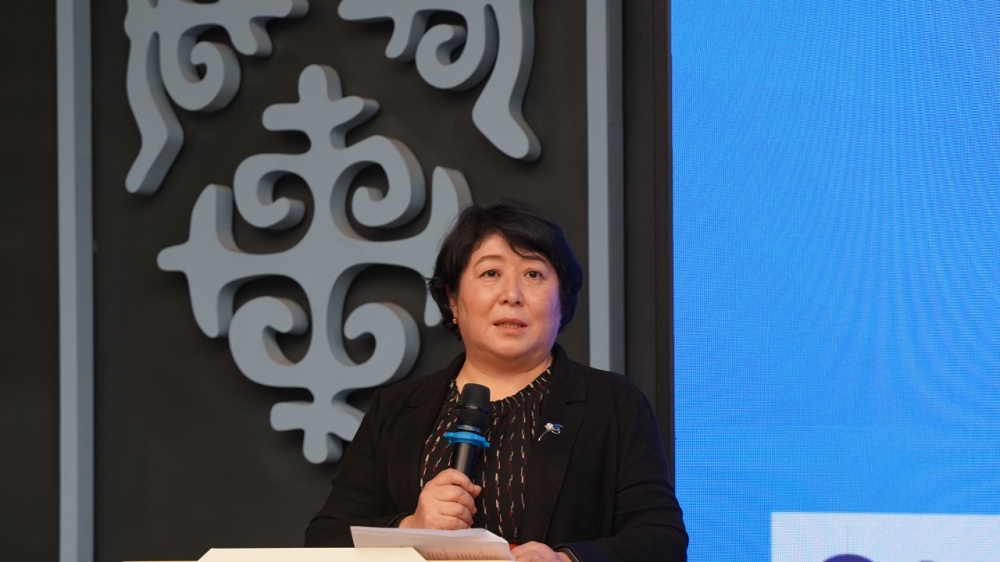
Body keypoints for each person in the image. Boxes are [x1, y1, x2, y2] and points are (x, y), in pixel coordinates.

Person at [305, 200, 688, 561]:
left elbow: (663, 539)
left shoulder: (613, 403)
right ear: (452, 299)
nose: (512, 295)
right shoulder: (397, 407)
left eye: (533, 274)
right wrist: (411, 528)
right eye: (491, 273)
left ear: (562, 300)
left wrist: (566, 558)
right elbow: (325, 538)